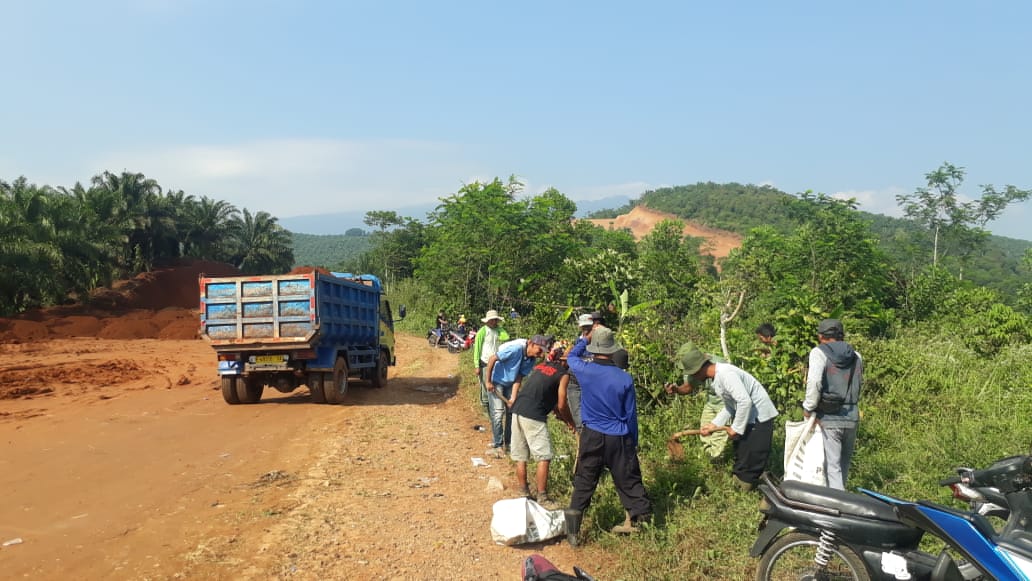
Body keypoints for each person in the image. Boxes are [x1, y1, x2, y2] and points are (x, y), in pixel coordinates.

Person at [564, 326, 651, 540]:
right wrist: (633, 441)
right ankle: (642, 524)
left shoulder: (584, 370)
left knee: (585, 479)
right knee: (628, 478)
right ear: (613, 350)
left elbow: (571, 356)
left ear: (594, 349)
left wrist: (585, 339)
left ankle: (573, 532)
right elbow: (630, 415)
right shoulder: (625, 379)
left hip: (592, 434)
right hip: (618, 436)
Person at [678, 345, 779, 491]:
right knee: (741, 451)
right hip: (747, 416)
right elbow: (730, 407)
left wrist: (736, 428)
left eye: (693, 374)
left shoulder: (726, 374)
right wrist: (713, 425)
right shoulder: (716, 379)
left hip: (760, 416)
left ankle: (751, 488)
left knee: (753, 455)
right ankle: (739, 486)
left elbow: (744, 401)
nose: (693, 378)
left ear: (698, 370)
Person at [508, 346, 576, 509]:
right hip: (533, 415)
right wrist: (571, 421)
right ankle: (542, 497)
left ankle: (523, 491)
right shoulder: (563, 374)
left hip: (517, 410)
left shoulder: (541, 367)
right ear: (565, 361)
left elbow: (544, 393)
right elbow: (562, 403)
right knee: (544, 456)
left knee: (521, 455)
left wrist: (562, 417)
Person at [803, 318, 863, 491]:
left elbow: (814, 382)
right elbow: (858, 383)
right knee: (843, 464)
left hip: (829, 417)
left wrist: (808, 408)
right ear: (841, 335)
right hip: (852, 415)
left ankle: (836, 503)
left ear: (820, 336)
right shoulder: (857, 356)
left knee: (832, 467)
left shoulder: (818, 353)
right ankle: (841, 497)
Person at [485, 334, 552, 457]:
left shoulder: (531, 360)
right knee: (498, 413)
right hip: (496, 381)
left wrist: (513, 397)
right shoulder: (515, 349)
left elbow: (519, 377)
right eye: (539, 350)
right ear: (531, 344)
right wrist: (488, 381)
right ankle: (497, 445)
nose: (540, 354)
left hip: (510, 383)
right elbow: (492, 359)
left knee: (511, 413)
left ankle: (508, 444)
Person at [664, 344, 730, 461]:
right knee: (705, 431)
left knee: (718, 435)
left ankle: (717, 461)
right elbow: (688, 387)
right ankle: (708, 459)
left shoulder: (719, 365)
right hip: (711, 402)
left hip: (726, 403)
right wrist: (676, 390)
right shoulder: (690, 367)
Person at [473, 309, 509, 421]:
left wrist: (499, 329)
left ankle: (495, 408)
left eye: (495, 320)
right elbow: (477, 349)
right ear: (487, 321)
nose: (494, 322)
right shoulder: (482, 332)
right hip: (484, 362)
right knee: (485, 386)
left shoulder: (498, 331)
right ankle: (486, 407)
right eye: (492, 320)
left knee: (496, 385)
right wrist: (476, 365)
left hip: (497, 363)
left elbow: (506, 337)